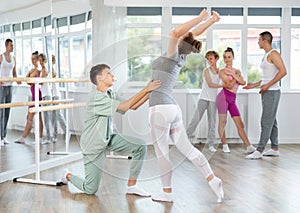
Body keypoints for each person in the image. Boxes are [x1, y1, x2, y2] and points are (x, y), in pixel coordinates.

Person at [149, 9, 224, 203]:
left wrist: (201, 18)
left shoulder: (173, 54)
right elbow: (192, 34)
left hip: (159, 109)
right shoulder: (181, 55)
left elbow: (176, 33)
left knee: (162, 153)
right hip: (172, 109)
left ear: (180, 42)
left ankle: (167, 192)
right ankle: (212, 178)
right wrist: (212, 21)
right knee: (187, 148)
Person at [60, 64, 161, 196]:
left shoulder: (110, 93)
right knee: (90, 189)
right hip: (93, 146)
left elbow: (133, 106)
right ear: (99, 78)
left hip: (108, 138)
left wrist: (149, 92)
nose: (113, 75)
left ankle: (132, 186)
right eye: (109, 73)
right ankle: (67, 175)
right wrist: (146, 89)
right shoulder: (96, 97)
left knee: (140, 146)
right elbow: (125, 107)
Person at [244, 31, 287, 159]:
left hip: (272, 92)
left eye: (259, 40)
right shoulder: (266, 55)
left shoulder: (274, 54)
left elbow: (283, 71)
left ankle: (259, 150)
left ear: (264, 40)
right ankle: (274, 148)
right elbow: (267, 77)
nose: (257, 42)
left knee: (266, 120)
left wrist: (268, 86)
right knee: (272, 120)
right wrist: (255, 84)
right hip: (267, 91)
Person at [216, 47, 256, 154]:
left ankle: (249, 146)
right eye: (225, 57)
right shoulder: (222, 71)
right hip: (223, 97)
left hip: (232, 99)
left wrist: (233, 74)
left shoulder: (237, 71)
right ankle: (224, 145)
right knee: (223, 122)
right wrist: (236, 76)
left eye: (229, 57)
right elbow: (229, 85)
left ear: (233, 57)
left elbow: (243, 82)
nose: (227, 59)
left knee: (240, 124)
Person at [186, 50, 222, 152]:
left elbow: (228, 76)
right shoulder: (206, 70)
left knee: (212, 123)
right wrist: (223, 85)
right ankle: (185, 140)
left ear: (216, 59)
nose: (209, 60)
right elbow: (210, 84)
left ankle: (211, 145)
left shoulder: (220, 71)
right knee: (195, 120)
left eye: (211, 58)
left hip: (213, 100)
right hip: (203, 98)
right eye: (208, 59)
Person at [15, 51, 43, 144]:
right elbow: (28, 79)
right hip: (34, 94)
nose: (32, 61)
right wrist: (29, 74)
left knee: (30, 117)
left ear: (38, 59)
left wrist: (29, 74)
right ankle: (39, 137)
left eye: (34, 59)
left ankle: (23, 138)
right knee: (35, 116)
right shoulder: (34, 69)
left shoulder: (37, 70)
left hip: (36, 95)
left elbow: (28, 81)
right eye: (31, 59)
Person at [0, 39, 21, 146]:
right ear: (6, 46)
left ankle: (4, 136)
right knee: (1, 112)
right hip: (2, 86)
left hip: (10, 86)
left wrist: (17, 80)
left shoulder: (13, 59)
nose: (12, 47)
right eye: (11, 45)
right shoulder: (1, 57)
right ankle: (0, 136)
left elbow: (14, 72)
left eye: (13, 45)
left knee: (7, 111)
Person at [51, 55, 66, 142]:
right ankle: (55, 135)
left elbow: (53, 74)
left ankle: (66, 130)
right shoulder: (50, 70)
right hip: (52, 95)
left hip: (56, 95)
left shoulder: (53, 70)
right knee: (53, 117)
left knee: (59, 115)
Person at [39, 53, 52, 144]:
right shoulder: (42, 70)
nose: (40, 62)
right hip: (45, 95)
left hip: (46, 95)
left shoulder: (44, 70)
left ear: (44, 61)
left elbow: (40, 83)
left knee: (46, 117)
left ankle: (48, 138)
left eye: (41, 60)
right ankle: (48, 137)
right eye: (39, 60)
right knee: (46, 117)